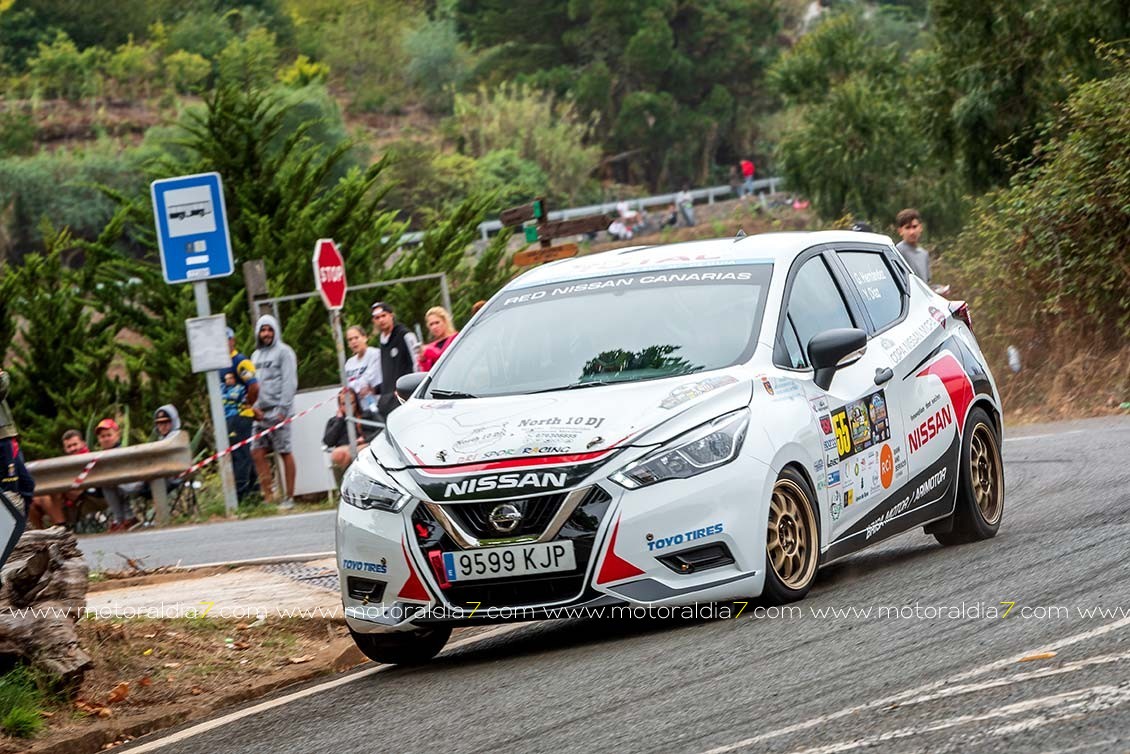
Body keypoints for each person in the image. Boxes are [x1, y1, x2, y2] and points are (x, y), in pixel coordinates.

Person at [250, 315, 298, 508]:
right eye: (263, 330)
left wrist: (283, 409)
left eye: (269, 329)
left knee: (284, 451)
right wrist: (253, 408)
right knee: (256, 451)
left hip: (279, 411)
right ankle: (269, 497)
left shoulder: (284, 352)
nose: (266, 334)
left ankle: (290, 497)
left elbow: (289, 381)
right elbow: (252, 385)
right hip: (260, 413)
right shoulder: (255, 356)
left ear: (275, 331)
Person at [219, 327, 259, 502]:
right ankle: (254, 491)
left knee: (239, 454)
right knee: (241, 452)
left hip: (240, 415)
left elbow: (254, 385)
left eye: (227, 340)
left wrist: (249, 404)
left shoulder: (240, 361)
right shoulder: (219, 364)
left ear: (232, 340)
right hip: (227, 416)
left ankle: (241, 495)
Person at [28, 429, 93, 529]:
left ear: (83, 443)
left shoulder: (91, 458)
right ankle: (41, 536)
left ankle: (61, 528)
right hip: (66, 497)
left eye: (75, 444)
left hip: (85, 496)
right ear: (65, 449)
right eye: (69, 446)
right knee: (33, 502)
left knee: (50, 491)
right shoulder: (66, 463)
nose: (72, 448)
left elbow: (76, 492)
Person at [370, 302, 419, 419]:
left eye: (384, 315)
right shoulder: (382, 341)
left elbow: (416, 364)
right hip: (388, 400)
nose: (381, 320)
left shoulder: (405, 335)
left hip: (405, 397)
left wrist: (412, 390)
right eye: (377, 318)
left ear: (391, 315)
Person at [94, 418, 144, 531]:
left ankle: (124, 518)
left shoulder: (123, 452)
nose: (106, 439)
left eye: (108, 435)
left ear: (117, 435)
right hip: (119, 485)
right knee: (108, 483)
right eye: (102, 436)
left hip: (134, 483)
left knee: (111, 481)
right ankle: (124, 519)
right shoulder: (99, 456)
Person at [0, 369, 34, 532]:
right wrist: (3, 377)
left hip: (7, 435)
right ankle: (12, 531)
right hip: (1, 439)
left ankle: (20, 527)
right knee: (10, 489)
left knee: (27, 485)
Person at [324, 390, 381, 470]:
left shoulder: (367, 415)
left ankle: (346, 478)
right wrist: (339, 421)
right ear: (339, 405)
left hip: (366, 446)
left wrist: (364, 440)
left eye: (352, 403)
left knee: (350, 453)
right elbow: (328, 442)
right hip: (344, 448)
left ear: (356, 403)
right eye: (344, 404)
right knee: (338, 455)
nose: (349, 407)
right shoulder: (334, 421)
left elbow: (382, 429)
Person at [343, 325, 382, 414]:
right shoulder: (349, 363)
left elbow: (368, 380)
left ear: (365, 338)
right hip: (359, 410)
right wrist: (356, 387)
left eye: (356, 337)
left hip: (377, 406)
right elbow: (347, 386)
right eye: (350, 339)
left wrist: (355, 386)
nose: (353, 342)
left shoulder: (375, 354)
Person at [895, 208, 931, 282]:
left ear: (920, 228)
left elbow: (926, 284)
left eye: (914, 227)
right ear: (900, 231)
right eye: (907, 228)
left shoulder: (924, 254)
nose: (912, 232)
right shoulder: (897, 252)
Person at [418, 307, 458, 372]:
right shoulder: (431, 346)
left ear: (445, 321)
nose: (434, 327)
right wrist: (423, 360)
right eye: (431, 324)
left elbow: (450, 361)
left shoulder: (456, 338)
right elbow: (428, 374)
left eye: (437, 322)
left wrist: (432, 352)